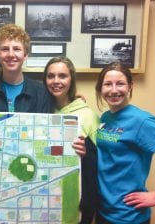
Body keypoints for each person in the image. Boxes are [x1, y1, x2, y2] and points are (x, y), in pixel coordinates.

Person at [95, 62, 155, 224]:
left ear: (130, 86)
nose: (113, 90)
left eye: (120, 84)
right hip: (103, 210)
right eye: (107, 84)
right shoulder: (105, 118)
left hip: (128, 216)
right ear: (101, 88)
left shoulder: (141, 120)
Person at [43, 56, 100, 224]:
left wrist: (86, 153)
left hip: (77, 203)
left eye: (62, 76)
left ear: (71, 79)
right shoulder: (41, 111)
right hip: (45, 200)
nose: (56, 81)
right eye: (50, 76)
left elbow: (101, 162)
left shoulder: (88, 115)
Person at [0, 23, 51, 113]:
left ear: (25, 54)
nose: (11, 54)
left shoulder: (41, 93)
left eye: (17, 49)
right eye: (5, 49)